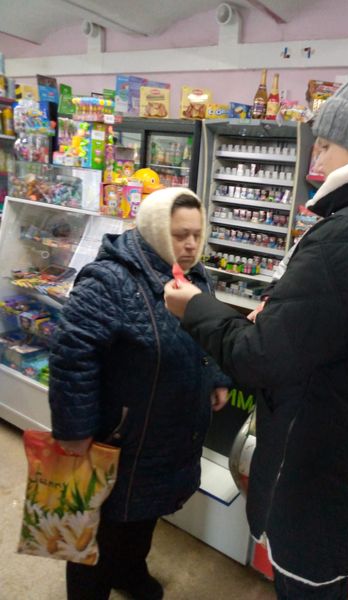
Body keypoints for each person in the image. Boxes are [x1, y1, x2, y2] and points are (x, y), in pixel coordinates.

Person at [164, 61, 348, 600]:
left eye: (326, 144)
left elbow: (260, 360)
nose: (315, 158)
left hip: (319, 477)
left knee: (306, 589)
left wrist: (195, 307)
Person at [49, 187, 230, 600]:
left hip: (168, 432)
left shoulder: (196, 275)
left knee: (144, 514)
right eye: (180, 235)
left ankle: (129, 572)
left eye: (196, 234)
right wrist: (74, 432)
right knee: (98, 526)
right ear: (154, 229)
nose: (190, 244)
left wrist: (217, 376)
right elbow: (72, 358)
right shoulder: (108, 280)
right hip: (118, 437)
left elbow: (209, 331)